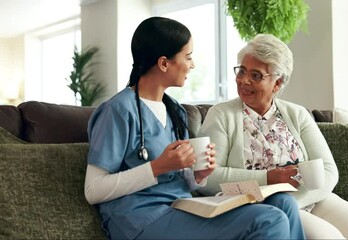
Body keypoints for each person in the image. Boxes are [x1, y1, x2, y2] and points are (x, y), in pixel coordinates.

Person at [84, 17, 305, 240]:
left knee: (283, 203)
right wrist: (157, 167)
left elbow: (181, 180)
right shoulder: (118, 111)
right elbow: (93, 190)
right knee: (269, 220)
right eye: (188, 57)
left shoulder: (176, 112)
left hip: (183, 207)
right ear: (163, 63)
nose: (193, 65)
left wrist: (198, 176)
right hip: (141, 218)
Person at [197, 34, 348, 240]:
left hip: (308, 198)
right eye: (242, 71)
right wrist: (268, 178)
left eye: (256, 75)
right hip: (264, 205)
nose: (244, 80)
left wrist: (296, 201)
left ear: (277, 84)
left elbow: (329, 170)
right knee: (329, 237)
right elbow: (208, 178)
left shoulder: (297, 114)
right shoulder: (222, 114)